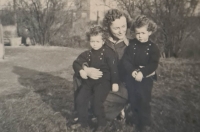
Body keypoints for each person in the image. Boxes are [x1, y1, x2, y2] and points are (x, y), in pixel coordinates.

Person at [73, 9, 132, 122]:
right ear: (108, 27)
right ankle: (80, 112)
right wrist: (86, 69)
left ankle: (116, 110)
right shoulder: (101, 41)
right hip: (101, 81)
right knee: (78, 75)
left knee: (98, 104)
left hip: (120, 86)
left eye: (123, 26)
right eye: (116, 28)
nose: (121, 31)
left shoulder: (132, 45)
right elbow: (87, 57)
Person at [72, 25, 120, 131]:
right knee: (80, 99)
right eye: (92, 41)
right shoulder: (88, 54)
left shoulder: (109, 53)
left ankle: (102, 123)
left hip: (103, 82)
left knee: (97, 101)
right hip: (89, 82)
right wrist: (81, 71)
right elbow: (76, 63)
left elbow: (114, 68)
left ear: (103, 41)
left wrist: (115, 82)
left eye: (97, 41)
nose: (94, 44)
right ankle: (82, 122)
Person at [122, 15, 160, 131]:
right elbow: (126, 60)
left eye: (143, 33)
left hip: (146, 78)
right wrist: (132, 71)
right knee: (133, 97)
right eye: (137, 33)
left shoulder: (153, 47)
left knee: (144, 98)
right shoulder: (132, 45)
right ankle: (134, 118)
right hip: (132, 76)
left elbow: (153, 64)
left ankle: (145, 122)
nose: (140, 36)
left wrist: (142, 73)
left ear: (149, 32)